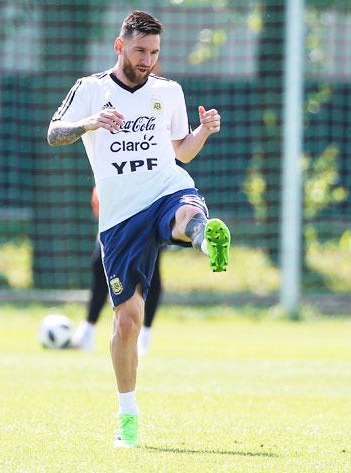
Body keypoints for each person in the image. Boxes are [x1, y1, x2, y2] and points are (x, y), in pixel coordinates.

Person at [46, 11, 231, 448]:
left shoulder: (169, 92)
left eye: (154, 52)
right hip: (120, 218)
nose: (147, 59)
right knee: (127, 321)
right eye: (140, 50)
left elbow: (181, 153)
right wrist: (90, 123)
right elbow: (54, 133)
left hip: (166, 190)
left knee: (186, 211)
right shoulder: (90, 89)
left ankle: (206, 237)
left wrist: (202, 131)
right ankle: (127, 414)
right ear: (119, 46)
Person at [72, 187, 162, 356]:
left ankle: (145, 335)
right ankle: (87, 331)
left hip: (147, 211)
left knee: (150, 272)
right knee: (101, 267)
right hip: (115, 215)